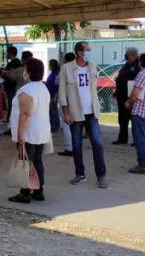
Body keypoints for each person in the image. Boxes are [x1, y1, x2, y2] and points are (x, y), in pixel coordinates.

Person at [59, 41, 108, 189]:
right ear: (79, 52)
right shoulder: (66, 68)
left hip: (92, 112)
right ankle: (80, 173)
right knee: (76, 145)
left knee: (97, 144)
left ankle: (101, 175)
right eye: (88, 50)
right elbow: (62, 92)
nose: (90, 52)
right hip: (75, 112)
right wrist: (66, 112)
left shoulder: (92, 66)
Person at [7, 58, 51, 204]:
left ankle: (25, 192)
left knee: (26, 161)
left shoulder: (26, 90)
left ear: (29, 72)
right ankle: (39, 190)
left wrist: (20, 134)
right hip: (41, 131)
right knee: (37, 160)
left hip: (28, 132)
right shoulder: (43, 88)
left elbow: (25, 113)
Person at [113, 47, 140, 145]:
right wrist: (116, 90)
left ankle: (137, 140)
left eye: (127, 54)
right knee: (122, 119)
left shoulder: (137, 65)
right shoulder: (127, 65)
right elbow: (121, 78)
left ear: (132, 55)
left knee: (134, 119)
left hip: (130, 97)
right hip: (122, 96)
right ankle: (122, 138)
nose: (125, 56)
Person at [57, 52, 76, 156]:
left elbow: (57, 81)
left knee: (66, 125)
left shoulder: (64, 69)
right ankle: (75, 146)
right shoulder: (78, 68)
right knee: (75, 125)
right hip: (76, 100)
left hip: (66, 99)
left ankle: (70, 148)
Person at [1, 46, 22, 122]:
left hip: (12, 87)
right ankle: (9, 118)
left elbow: (11, 75)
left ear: (10, 53)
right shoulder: (17, 62)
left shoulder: (14, 63)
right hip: (12, 87)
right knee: (11, 103)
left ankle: (10, 119)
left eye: (7, 52)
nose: (6, 54)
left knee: (11, 103)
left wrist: (4, 73)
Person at [46, 59, 62, 133]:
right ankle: (53, 125)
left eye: (49, 64)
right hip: (50, 93)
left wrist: (55, 95)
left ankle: (55, 125)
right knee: (52, 110)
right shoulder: (53, 73)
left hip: (53, 94)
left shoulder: (56, 74)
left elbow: (56, 84)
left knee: (54, 110)